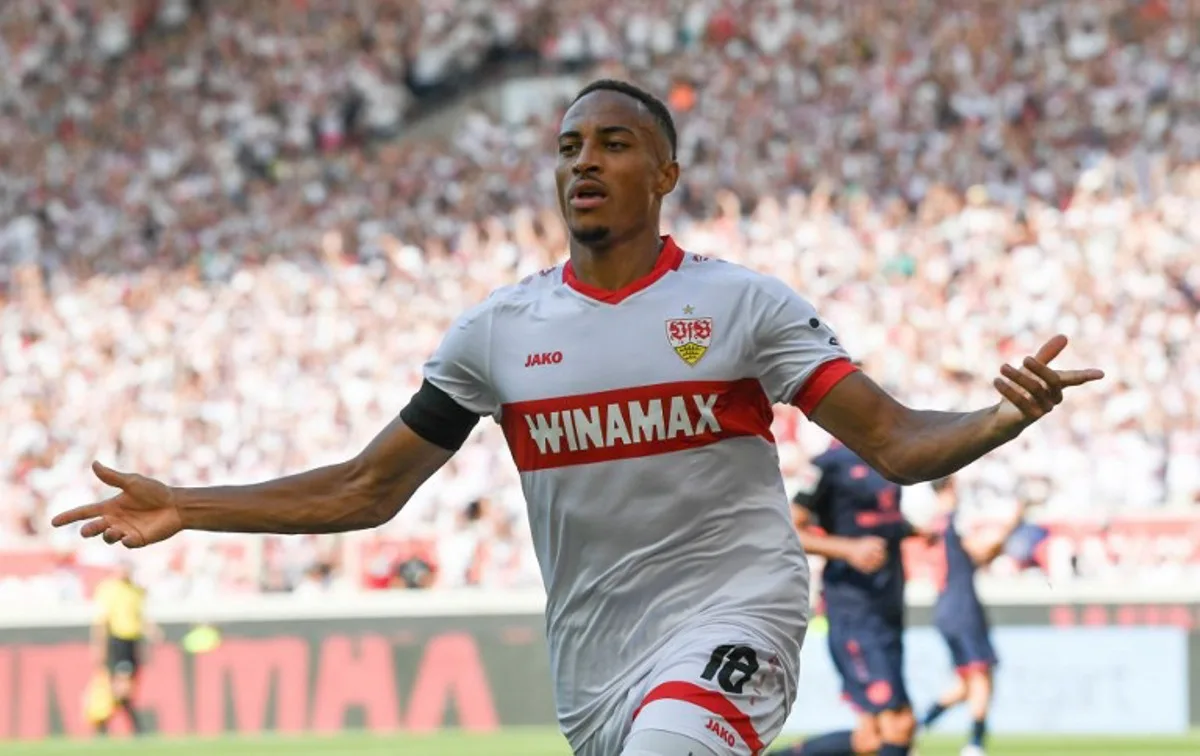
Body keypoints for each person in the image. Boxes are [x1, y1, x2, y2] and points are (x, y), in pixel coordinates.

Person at [52, 79, 1104, 756]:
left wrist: (995, 418)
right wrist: (189, 505)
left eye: (612, 143)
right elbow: (367, 490)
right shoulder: (497, 333)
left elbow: (898, 442)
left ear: (667, 175)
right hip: (593, 666)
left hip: (735, 616)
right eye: (568, 147)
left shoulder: (740, 306)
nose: (584, 162)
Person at [773, 444, 931, 756]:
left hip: (887, 608)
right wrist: (848, 549)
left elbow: (880, 520)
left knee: (870, 739)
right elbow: (788, 529)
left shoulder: (889, 454)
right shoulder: (827, 465)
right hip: (853, 611)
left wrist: (914, 531)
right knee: (899, 725)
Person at [919, 476, 1028, 756]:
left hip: (946, 605)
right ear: (951, 485)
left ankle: (914, 728)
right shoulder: (954, 519)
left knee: (967, 682)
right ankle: (975, 744)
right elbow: (982, 549)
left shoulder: (934, 523)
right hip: (962, 606)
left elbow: (972, 558)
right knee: (980, 675)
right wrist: (1013, 524)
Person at [90, 560, 162, 736]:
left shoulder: (136, 591)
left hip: (132, 642)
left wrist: (152, 632)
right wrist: (99, 647)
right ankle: (133, 726)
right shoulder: (108, 589)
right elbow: (101, 622)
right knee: (122, 687)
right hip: (117, 641)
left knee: (125, 687)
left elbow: (140, 616)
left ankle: (105, 724)